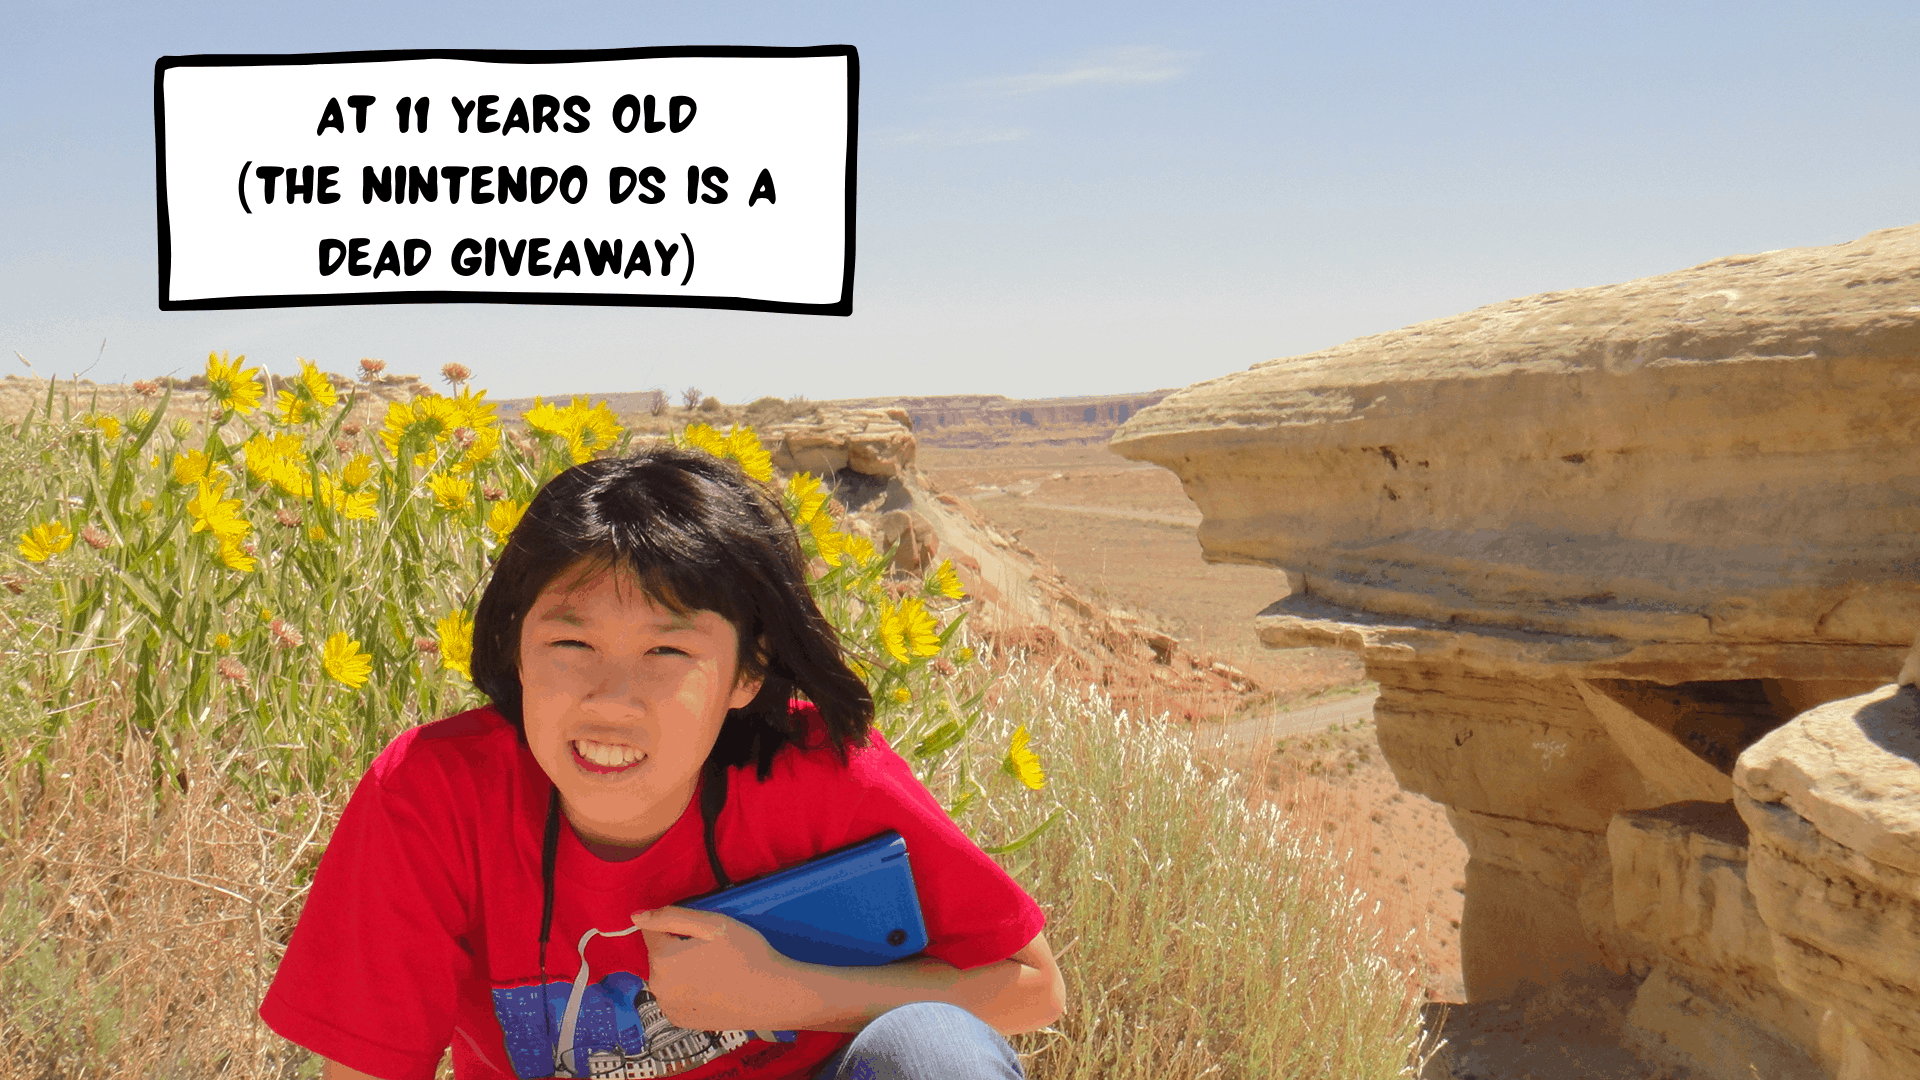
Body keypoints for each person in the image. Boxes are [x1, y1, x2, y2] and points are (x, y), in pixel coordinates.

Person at [260, 446, 1065, 1080]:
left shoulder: (820, 769)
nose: (613, 699)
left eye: (666, 650)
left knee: (933, 1052)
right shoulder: (432, 796)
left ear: (747, 673)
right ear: (514, 645)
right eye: (571, 644)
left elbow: (1029, 987)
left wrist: (779, 993)